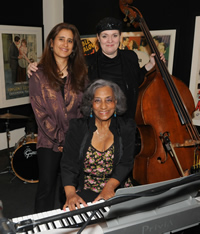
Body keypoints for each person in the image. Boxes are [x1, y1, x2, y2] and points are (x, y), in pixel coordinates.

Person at [27, 17, 164, 119]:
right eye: (105, 36)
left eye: (114, 35)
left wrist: (150, 65)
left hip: (127, 122)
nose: (110, 40)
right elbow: (62, 67)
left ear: (120, 37)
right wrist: (38, 67)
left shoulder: (131, 57)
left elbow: (136, 80)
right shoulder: (87, 62)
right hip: (99, 125)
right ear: (98, 38)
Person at [29, 22, 88, 213]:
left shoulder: (80, 74)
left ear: (74, 47)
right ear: (52, 43)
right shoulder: (37, 74)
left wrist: (74, 138)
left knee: (70, 188)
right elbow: (41, 114)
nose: (65, 44)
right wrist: (61, 139)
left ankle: (69, 226)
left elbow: (83, 110)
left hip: (75, 142)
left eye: (70, 41)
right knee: (46, 189)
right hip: (48, 142)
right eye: (61, 39)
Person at [60, 79, 136, 211]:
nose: (103, 106)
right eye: (97, 100)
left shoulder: (127, 127)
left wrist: (109, 188)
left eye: (108, 100)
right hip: (86, 189)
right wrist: (71, 194)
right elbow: (68, 165)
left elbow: (126, 163)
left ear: (116, 102)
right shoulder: (77, 128)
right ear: (91, 103)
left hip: (117, 187)